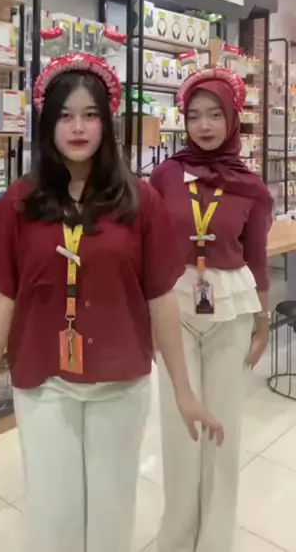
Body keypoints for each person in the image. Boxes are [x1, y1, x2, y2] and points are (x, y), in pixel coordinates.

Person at [0, 52, 223, 552]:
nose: (78, 128)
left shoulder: (139, 200)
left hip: (120, 384)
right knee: (53, 518)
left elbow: (161, 298)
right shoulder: (21, 202)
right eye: (66, 116)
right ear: (48, 125)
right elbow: (2, 296)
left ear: (106, 124)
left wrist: (183, 391)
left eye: (90, 115)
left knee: (112, 519)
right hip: (44, 384)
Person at [150, 64, 273, 552]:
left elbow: (257, 258)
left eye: (215, 115)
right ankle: (177, 534)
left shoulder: (251, 186)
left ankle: (216, 538)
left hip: (231, 311)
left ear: (233, 118)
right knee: (179, 426)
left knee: (224, 427)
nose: (203, 125)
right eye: (195, 115)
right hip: (173, 309)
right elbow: (148, 248)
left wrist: (262, 321)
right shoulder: (165, 175)